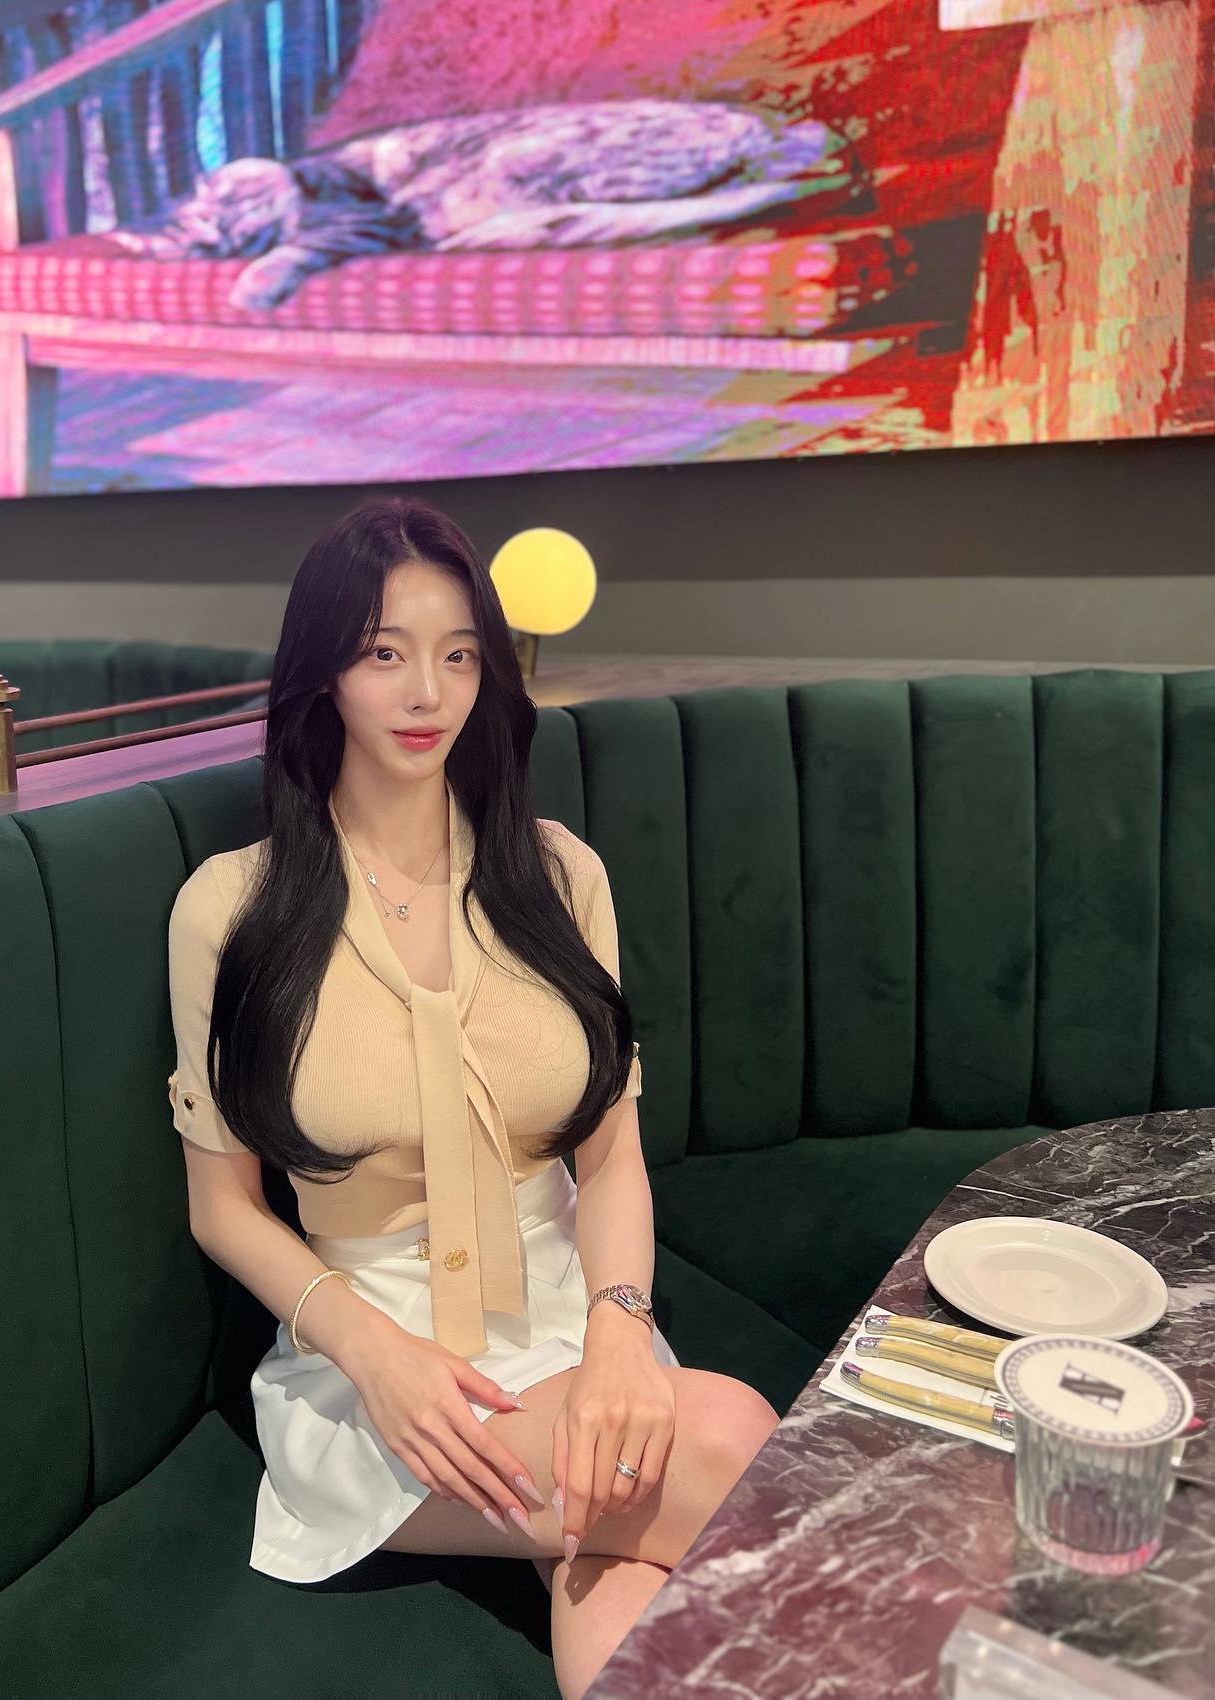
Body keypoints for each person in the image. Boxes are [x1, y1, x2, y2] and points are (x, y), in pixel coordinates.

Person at [166, 495, 777, 1699]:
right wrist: (376, 1354)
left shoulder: (559, 875)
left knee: (616, 1556)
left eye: (457, 655)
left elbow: (609, 1155)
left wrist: (619, 1329)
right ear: (324, 670)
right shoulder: (229, 908)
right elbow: (223, 1204)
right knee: (737, 1440)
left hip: (582, 1320)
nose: (425, 691)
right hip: (381, 1376)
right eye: (384, 652)